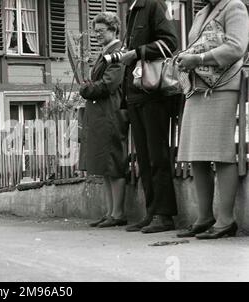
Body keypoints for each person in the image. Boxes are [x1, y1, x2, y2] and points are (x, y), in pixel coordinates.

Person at [176, 0, 249, 239]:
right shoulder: (201, 13)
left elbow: (237, 47)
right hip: (197, 87)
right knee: (196, 154)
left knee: (220, 152)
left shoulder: (234, 6)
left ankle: (226, 220)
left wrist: (198, 59)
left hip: (222, 86)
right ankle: (204, 216)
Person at [118, 0, 179, 233]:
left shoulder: (154, 4)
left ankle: (164, 216)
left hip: (153, 93)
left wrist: (136, 52)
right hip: (136, 93)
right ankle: (152, 212)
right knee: (143, 157)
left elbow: (170, 43)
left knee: (157, 156)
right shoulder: (133, 10)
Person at [80, 12, 129, 228]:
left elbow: (109, 84)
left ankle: (118, 213)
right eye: (96, 31)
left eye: (101, 31)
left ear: (113, 30)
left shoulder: (118, 53)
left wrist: (86, 88)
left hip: (111, 112)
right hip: (102, 113)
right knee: (105, 166)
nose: (97, 35)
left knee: (114, 163)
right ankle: (110, 212)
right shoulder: (106, 53)